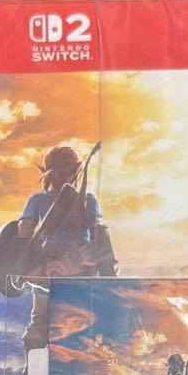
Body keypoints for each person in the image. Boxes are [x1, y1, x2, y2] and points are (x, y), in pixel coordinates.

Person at [19, 145, 115, 352]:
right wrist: (109, 279)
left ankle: (33, 372)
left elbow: (23, 237)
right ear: (76, 171)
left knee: (39, 327)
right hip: (79, 277)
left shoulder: (36, 200)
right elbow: (102, 241)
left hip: (47, 276)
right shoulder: (88, 199)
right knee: (84, 330)